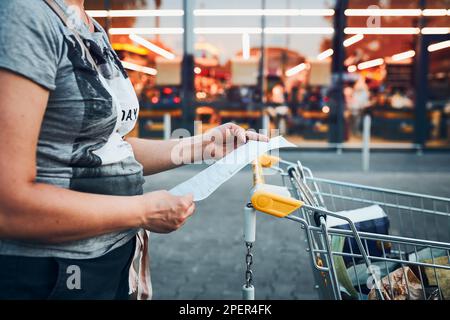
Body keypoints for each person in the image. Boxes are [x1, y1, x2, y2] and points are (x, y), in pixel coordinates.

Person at [0, 0, 267, 300]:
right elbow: (8, 205)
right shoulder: (24, 14)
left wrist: (204, 145)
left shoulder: (90, 27)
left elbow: (107, 147)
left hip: (111, 257)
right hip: (50, 272)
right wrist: (143, 210)